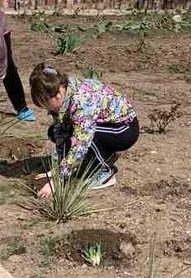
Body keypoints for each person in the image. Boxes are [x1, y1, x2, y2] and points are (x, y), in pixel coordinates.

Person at [30, 63, 139, 193]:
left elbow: (81, 141)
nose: (48, 109)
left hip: (124, 129)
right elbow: (61, 133)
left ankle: (106, 173)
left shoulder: (83, 99)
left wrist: (57, 181)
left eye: (48, 105)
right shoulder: (64, 95)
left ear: (58, 94)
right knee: (55, 132)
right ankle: (98, 159)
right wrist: (59, 169)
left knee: (86, 136)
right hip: (102, 126)